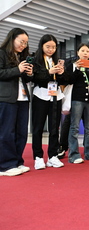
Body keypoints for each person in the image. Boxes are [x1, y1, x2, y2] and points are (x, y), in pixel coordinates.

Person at [58, 44, 89, 159]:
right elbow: (69, 80)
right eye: (82, 51)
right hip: (77, 99)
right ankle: (74, 154)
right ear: (78, 52)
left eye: (87, 51)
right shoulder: (72, 65)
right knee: (75, 127)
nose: (85, 53)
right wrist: (77, 69)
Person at [0, 28, 33, 176]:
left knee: (21, 132)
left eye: (26, 43)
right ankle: (5, 166)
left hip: (22, 98)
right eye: (21, 41)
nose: (24, 45)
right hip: (7, 98)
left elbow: (22, 78)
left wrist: (29, 74)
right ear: (12, 39)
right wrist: (17, 69)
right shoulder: (1, 53)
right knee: (7, 132)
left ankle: (17, 161)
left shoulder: (21, 56)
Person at [31, 34, 66, 170]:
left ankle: (53, 156)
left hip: (55, 96)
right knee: (38, 127)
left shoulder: (58, 61)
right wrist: (49, 72)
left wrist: (62, 73)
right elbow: (35, 78)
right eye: (48, 47)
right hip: (40, 95)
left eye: (53, 47)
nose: (51, 49)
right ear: (42, 46)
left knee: (54, 128)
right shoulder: (36, 61)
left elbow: (64, 81)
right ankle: (38, 157)